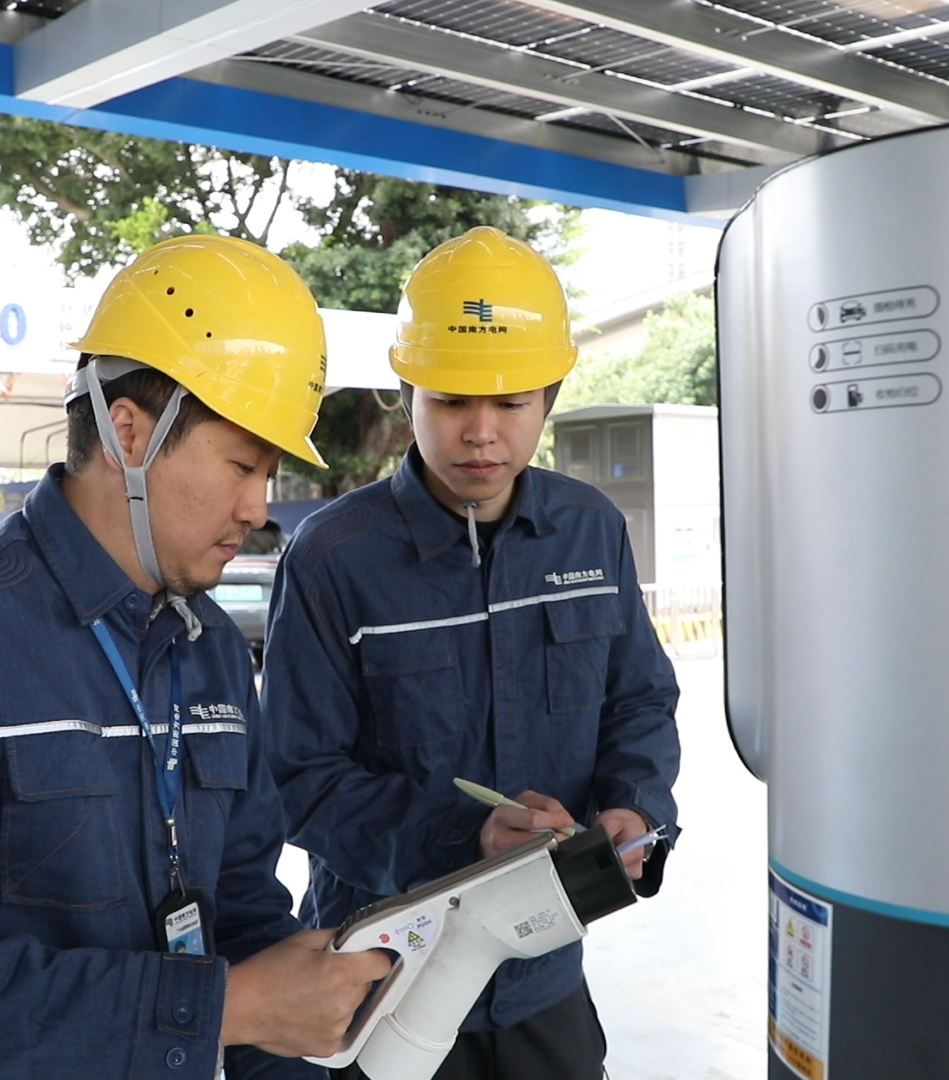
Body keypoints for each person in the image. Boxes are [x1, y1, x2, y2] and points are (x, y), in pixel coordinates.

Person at [0, 234, 391, 1080]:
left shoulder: (211, 650)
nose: (257, 507)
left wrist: (292, 1009)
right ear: (129, 432)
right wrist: (221, 1007)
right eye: (242, 464)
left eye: (269, 472)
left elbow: (243, 920)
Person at [262, 226, 682, 1080]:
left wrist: (633, 805)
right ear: (406, 394)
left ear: (549, 398)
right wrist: (463, 837)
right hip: (383, 978)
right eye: (452, 401)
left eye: (511, 403)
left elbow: (638, 699)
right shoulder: (334, 559)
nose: (481, 433)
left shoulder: (590, 530)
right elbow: (299, 778)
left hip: (540, 973)